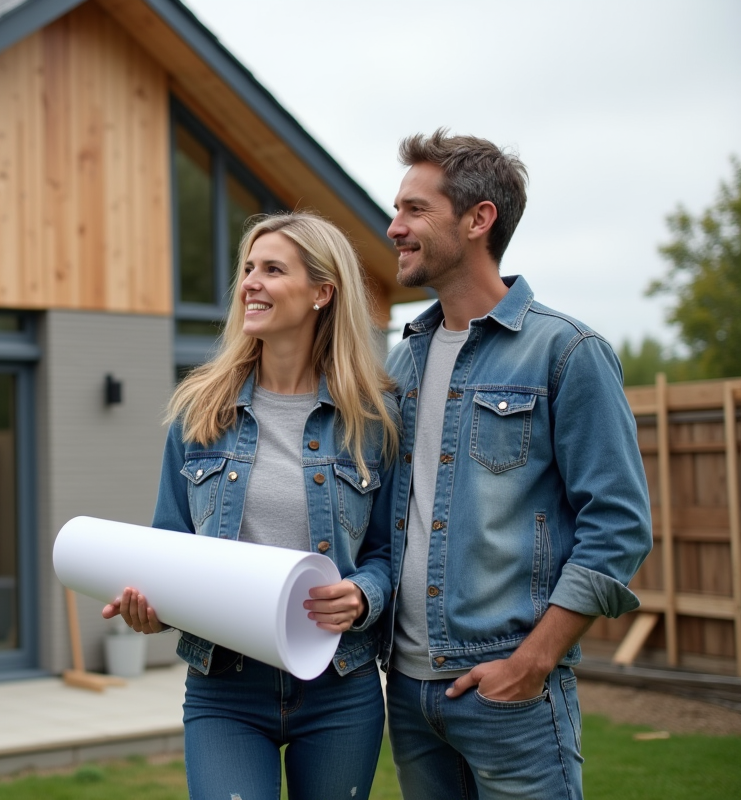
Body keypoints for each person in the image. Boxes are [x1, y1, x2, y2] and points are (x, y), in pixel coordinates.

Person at [381, 130, 653, 800]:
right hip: (410, 695)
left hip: (510, 694)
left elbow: (618, 526)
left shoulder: (566, 353)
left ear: (478, 220)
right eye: (397, 210)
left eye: (415, 210)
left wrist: (533, 662)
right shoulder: (402, 361)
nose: (395, 228)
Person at [102, 211, 399, 799]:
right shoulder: (199, 412)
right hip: (225, 686)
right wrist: (153, 607)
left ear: (322, 291)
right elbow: (170, 546)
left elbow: (391, 551)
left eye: (271, 269)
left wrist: (365, 593)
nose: (249, 284)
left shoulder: (374, 419)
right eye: (246, 269)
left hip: (339, 684)